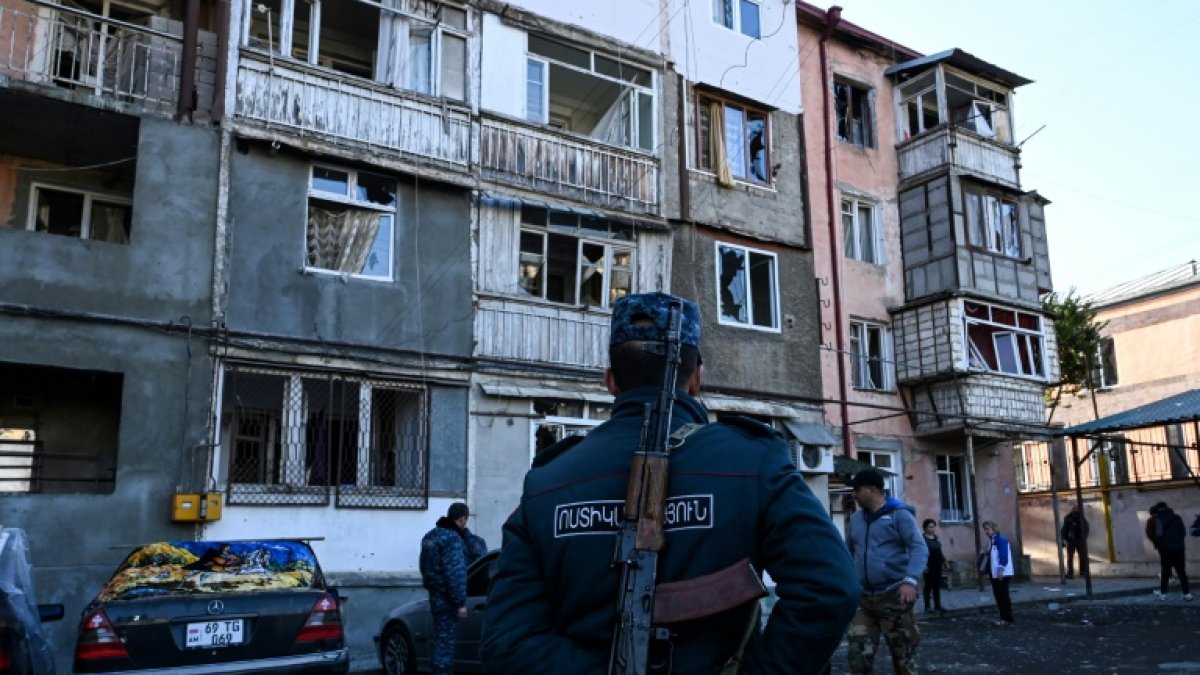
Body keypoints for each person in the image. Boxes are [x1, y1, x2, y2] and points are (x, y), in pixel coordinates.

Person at [481, 292, 860, 675]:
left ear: (609, 380)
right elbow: (830, 587)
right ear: (698, 379)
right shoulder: (753, 460)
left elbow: (508, 640)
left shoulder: (547, 481)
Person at [845, 468, 927, 675]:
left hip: (894, 596)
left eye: (857, 489)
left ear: (871, 490)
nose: (853, 494)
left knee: (904, 657)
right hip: (863, 599)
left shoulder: (899, 515)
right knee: (858, 656)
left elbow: (919, 548)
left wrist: (910, 581)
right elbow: (847, 552)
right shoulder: (855, 519)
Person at [420, 502, 471, 675]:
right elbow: (455, 573)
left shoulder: (430, 536)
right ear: (462, 519)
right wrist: (460, 603)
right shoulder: (452, 538)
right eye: (466, 519)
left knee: (440, 639)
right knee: (446, 644)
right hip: (448, 599)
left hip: (435, 596)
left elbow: (424, 567)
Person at [1146, 501, 1192, 601]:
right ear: (1167, 507)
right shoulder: (1177, 517)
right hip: (1179, 548)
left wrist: (1160, 545)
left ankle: (1163, 594)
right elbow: (1183, 532)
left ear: (1158, 509)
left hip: (1166, 550)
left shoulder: (1159, 519)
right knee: (1181, 572)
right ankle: (1187, 594)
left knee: (1166, 572)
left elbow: (1158, 535)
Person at [981, 521, 1014, 626]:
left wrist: (1001, 569)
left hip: (1002, 573)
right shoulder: (992, 540)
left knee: (1003, 595)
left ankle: (1007, 618)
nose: (986, 531)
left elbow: (1003, 555)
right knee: (999, 595)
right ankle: (1004, 617)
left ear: (994, 528)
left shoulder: (1000, 539)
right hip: (995, 572)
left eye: (987, 529)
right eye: (985, 529)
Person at [921, 519, 947, 613]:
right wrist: (924, 566)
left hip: (937, 565)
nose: (932, 529)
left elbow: (939, 551)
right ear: (925, 528)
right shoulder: (922, 539)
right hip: (928, 566)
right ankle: (927, 606)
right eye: (930, 527)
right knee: (928, 586)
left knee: (937, 586)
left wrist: (944, 562)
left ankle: (937, 605)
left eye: (933, 527)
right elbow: (921, 553)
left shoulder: (935, 538)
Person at [1060, 503, 1089, 580]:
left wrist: (1083, 538)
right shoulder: (1069, 518)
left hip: (1077, 540)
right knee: (1072, 557)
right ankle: (1072, 572)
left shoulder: (1081, 518)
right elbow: (1064, 529)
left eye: (1075, 509)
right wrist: (1063, 539)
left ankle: (1079, 572)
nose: (1075, 510)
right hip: (1072, 540)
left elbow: (1086, 528)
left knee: (1080, 556)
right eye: (1074, 509)